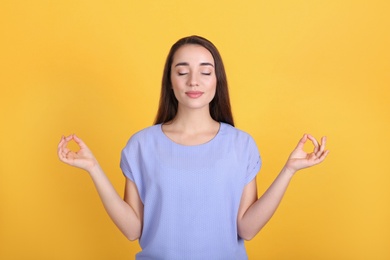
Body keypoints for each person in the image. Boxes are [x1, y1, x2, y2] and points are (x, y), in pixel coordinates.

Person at [57, 35, 329, 259]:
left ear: (216, 80)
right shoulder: (141, 145)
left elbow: (246, 228)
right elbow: (132, 230)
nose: (193, 81)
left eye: (205, 72)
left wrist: (289, 170)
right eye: (183, 72)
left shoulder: (241, 144)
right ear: (170, 82)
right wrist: (93, 168)